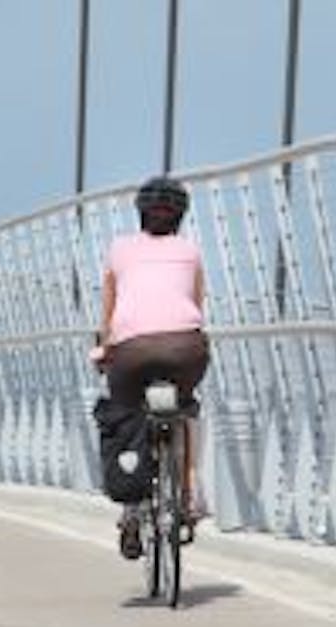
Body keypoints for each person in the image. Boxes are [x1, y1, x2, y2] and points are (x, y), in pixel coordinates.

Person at [92, 176, 210, 560]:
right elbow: (195, 305)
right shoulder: (191, 251)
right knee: (187, 406)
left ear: (140, 213)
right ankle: (189, 490)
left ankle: (130, 514)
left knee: (127, 414)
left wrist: (104, 349)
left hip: (131, 351)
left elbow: (108, 316)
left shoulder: (119, 250)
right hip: (184, 348)